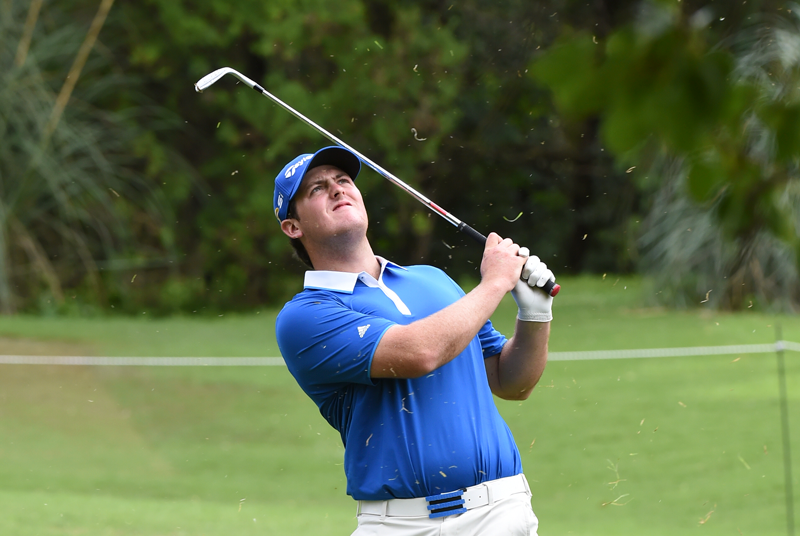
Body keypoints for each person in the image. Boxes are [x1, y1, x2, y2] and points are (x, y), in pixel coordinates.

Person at [274, 146, 554, 535]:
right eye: (316, 189)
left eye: (343, 180)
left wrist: (535, 315)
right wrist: (495, 282)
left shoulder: (432, 278)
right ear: (293, 227)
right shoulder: (304, 316)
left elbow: (512, 383)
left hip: (499, 512)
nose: (337, 189)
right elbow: (420, 353)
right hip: (398, 524)